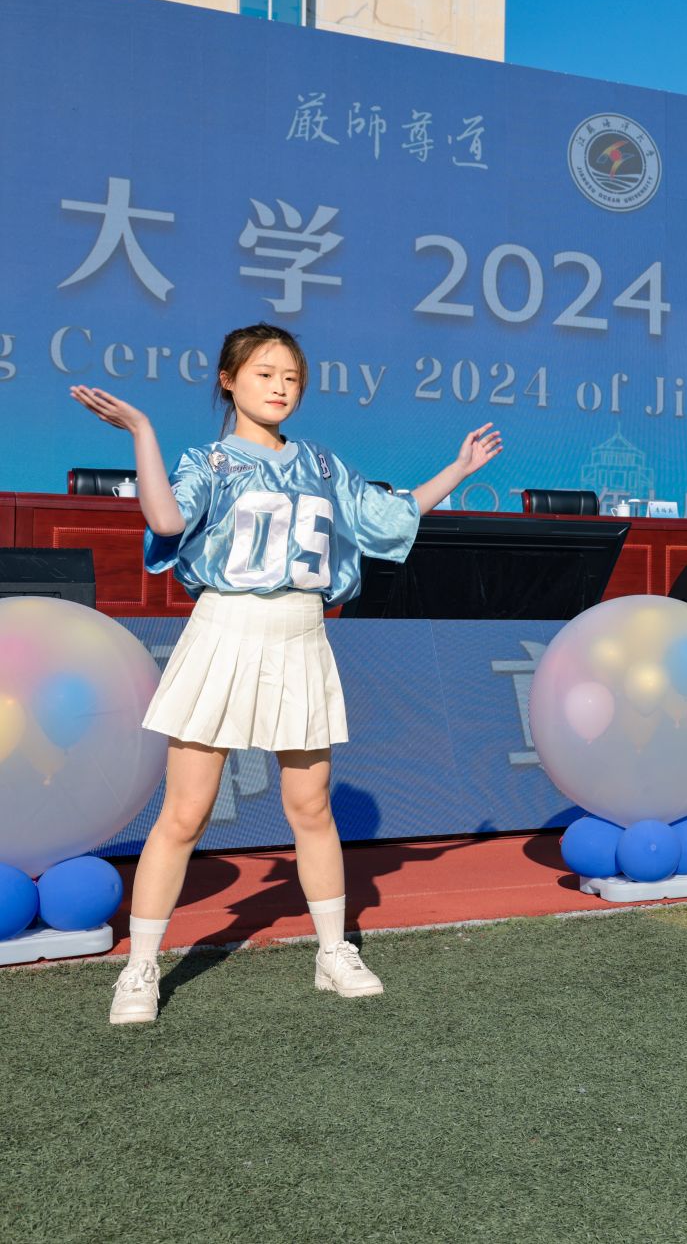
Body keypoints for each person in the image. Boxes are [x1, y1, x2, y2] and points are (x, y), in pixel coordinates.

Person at [72, 322, 501, 1025]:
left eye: (292, 378)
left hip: (301, 635)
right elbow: (167, 520)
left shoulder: (323, 465)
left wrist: (458, 470)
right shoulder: (210, 462)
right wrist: (142, 432)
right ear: (229, 380)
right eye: (265, 373)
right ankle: (140, 968)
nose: (280, 387)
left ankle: (333, 952)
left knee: (312, 807)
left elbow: (387, 517)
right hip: (224, 632)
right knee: (185, 811)